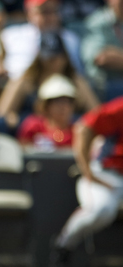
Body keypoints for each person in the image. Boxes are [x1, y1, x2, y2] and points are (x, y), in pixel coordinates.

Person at [49, 96, 123, 266]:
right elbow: (83, 128)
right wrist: (88, 172)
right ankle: (63, 245)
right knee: (100, 210)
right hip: (108, 174)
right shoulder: (120, 108)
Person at [0, 31, 99, 129]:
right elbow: (1, 114)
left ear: (65, 57)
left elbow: (97, 113)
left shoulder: (76, 81)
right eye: (49, 57)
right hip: (32, 139)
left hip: (68, 140)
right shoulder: (25, 81)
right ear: (40, 58)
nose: (53, 62)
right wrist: (15, 118)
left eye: (57, 57)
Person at [1, 0, 85, 80]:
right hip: (17, 86)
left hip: (57, 89)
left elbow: (77, 73)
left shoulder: (71, 39)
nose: (49, 17)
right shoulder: (9, 35)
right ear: (29, 12)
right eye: (43, 11)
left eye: (53, 10)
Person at [81, 0, 123, 101]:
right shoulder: (97, 22)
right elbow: (102, 58)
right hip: (106, 87)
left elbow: (111, 57)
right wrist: (110, 57)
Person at [17, 73, 77, 152]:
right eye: (58, 101)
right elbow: (22, 151)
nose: (63, 107)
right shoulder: (33, 126)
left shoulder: (77, 131)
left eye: (67, 102)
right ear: (46, 105)